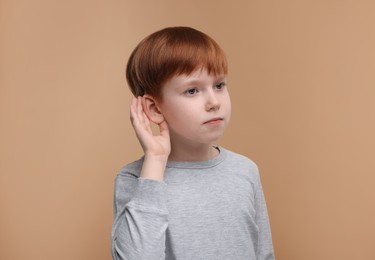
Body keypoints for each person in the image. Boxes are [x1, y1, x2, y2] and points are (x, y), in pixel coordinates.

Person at [111, 26, 275, 260]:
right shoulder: (136, 180)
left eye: (219, 85)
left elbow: (264, 253)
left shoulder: (245, 170)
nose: (213, 102)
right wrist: (155, 161)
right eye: (192, 90)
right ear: (155, 108)